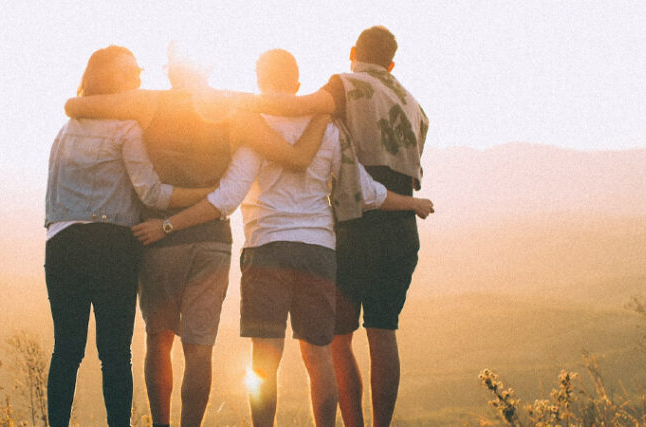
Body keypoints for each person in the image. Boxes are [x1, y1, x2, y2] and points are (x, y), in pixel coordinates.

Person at [132, 49, 433, 427]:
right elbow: (366, 191)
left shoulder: (255, 126)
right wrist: (411, 202)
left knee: (265, 359)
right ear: (297, 82)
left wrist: (170, 223)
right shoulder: (328, 127)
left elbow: (227, 198)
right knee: (318, 355)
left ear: (259, 81)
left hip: (267, 249)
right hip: (318, 251)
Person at [63, 44, 329, 427]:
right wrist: (324, 105)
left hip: (158, 239)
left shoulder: (148, 103)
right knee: (199, 348)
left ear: (171, 71)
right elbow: (293, 152)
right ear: (208, 67)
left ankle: (161, 424)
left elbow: (75, 106)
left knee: (159, 340)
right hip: (212, 241)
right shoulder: (234, 107)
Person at [237, 27, 430, 427]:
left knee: (337, 340)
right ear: (392, 63)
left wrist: (230, 102)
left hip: (355, 223)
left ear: (353, 52)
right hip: (400, 224)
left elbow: (300, 107)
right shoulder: (414, 104)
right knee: (384, 331)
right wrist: (411, 203)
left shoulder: (345, 85)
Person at [43, 45, 215, 427]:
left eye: (138, 68)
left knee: (66, 350)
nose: (138, 76)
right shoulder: (126, 128)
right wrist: (206, 195)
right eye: (128, 71)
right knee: (115, 353)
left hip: (61, 244)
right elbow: (151, 193)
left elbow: (52, 198)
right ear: (108, 77)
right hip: (111, 246)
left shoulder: (64, 131)